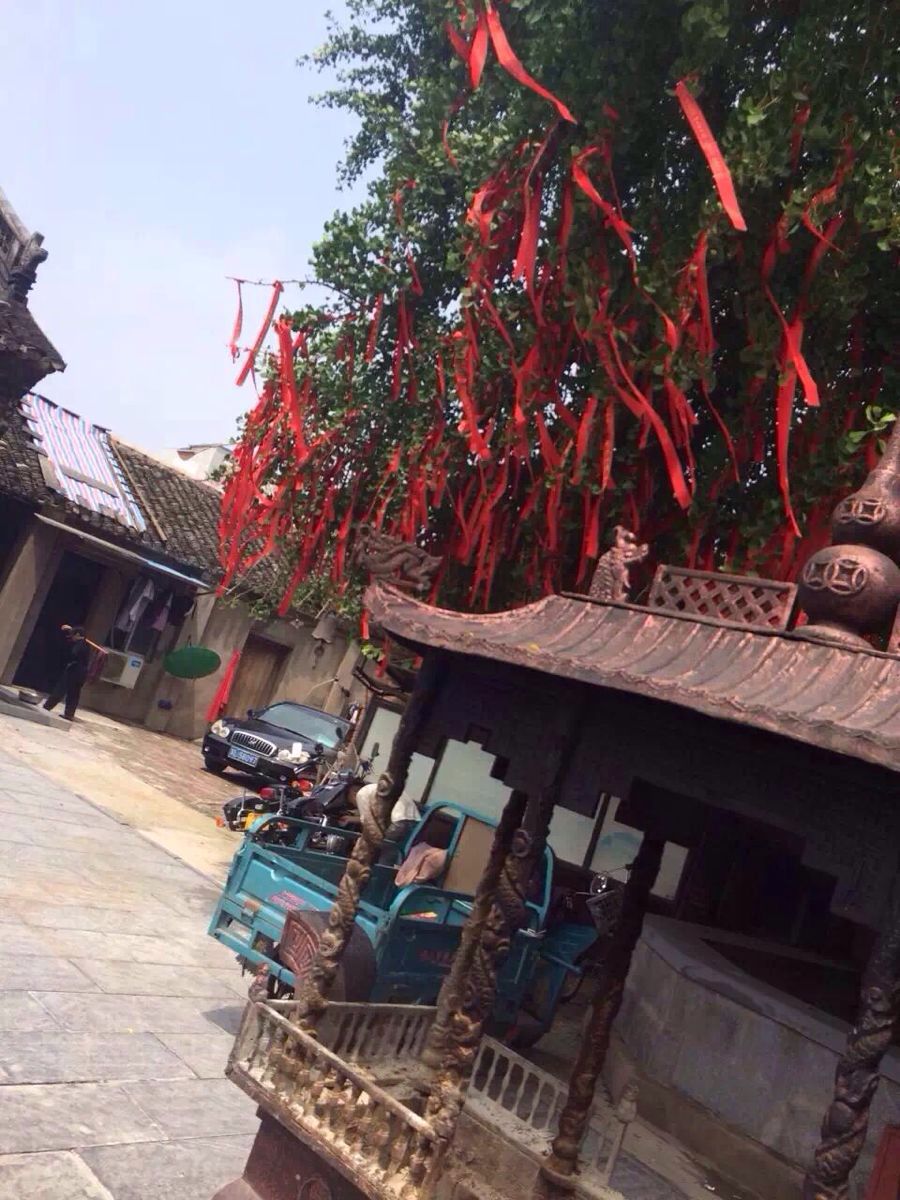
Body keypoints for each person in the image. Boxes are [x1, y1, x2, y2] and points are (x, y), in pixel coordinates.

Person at [43, 625, 90, 721]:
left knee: (60, 689)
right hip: (82, 673)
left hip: (74, 671)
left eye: (73, 635)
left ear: (77, 635)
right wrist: (70, 629)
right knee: (74, 695)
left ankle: (47, 707)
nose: (71, 638)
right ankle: (69, 714)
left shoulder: (79, 645)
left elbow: (73, 654)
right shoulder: (86, 644)